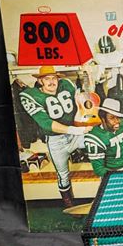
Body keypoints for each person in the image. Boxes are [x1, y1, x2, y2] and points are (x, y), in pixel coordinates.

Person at [19, 66, 90, 208]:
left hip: (75, 134)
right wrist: (76, 130)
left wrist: (88, 89)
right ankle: (68, 203)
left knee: (99, 144)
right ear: (40, 81)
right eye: (47, 79)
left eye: (54, 78)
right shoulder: (31, 96)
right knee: (63, 174)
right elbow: (46, 123)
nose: (52, 82)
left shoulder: (66, 84)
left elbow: (82, 103)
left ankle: (103, 188)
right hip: (56, 140)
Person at [84, 98, 123, 177]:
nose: (117, 121)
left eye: (118, 117)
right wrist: (119, 178)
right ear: (103, 119)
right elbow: (99, 169)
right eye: (112, 118)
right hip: (109, 174)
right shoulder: (95, 136)